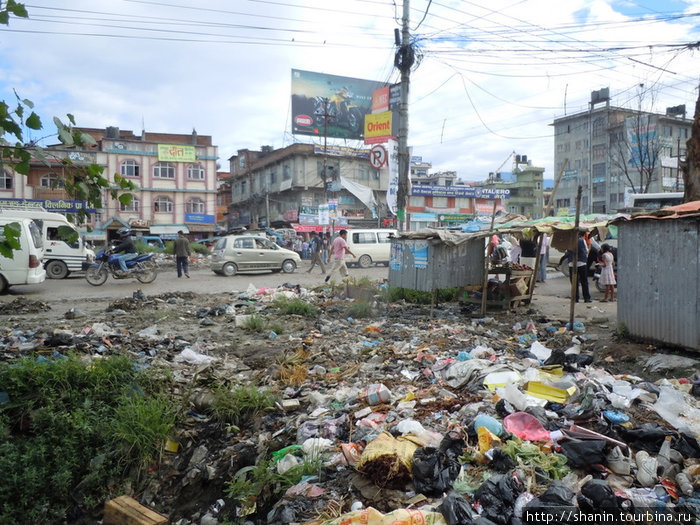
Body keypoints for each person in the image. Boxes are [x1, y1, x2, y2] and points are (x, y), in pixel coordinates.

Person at [566, 230, 592, 303]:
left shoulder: (569, 241)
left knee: (574, 282)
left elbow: (567, 252)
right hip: (581, 263)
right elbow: (585, 250)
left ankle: (575, 298)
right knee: (584, 281)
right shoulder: (582, 240)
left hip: (572, 263)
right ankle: (586, 298)